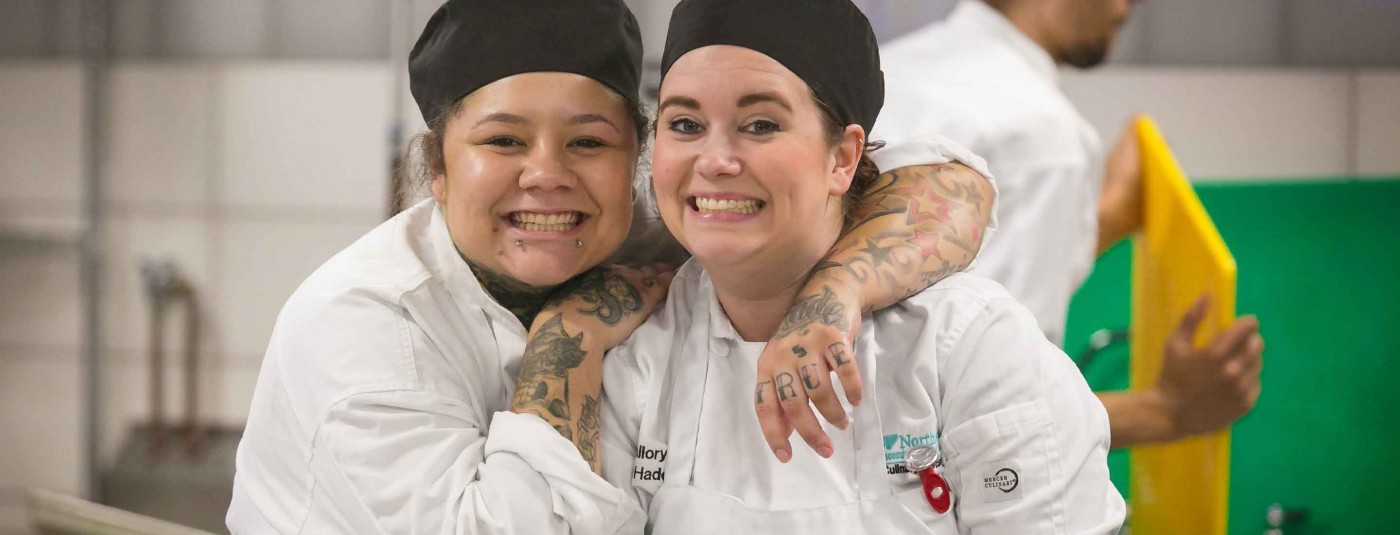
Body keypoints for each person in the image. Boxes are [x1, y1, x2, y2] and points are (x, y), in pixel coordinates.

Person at [227, 0, 996, 532]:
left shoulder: (659, 231)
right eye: (502, 142)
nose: (547, 174)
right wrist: (575, 336)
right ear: (437, 169)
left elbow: (945, 186)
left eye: (589, 142)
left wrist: (833, 291)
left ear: (638, 156)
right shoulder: (369, 328)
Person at [520, 0, 1123, 531]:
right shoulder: (634, 365)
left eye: (761, 124)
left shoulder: (969, 346)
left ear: (843, 157)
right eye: (685, 124)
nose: (716, 159)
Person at [872, 0, 1265, 447]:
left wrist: (1113, 215)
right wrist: (1168, 410)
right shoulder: (1040, 133)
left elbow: (918, 274)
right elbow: (996, 410)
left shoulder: (886, 68)